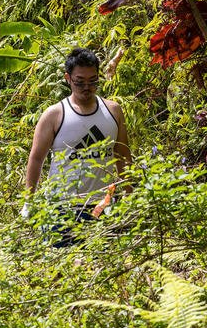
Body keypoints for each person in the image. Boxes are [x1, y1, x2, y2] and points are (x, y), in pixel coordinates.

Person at [24, 48, 132, 246]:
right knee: (62, 269)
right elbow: (36, 158)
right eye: (80, 82)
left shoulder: (113, 110)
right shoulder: (54, 114)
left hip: (104, 204)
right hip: (62, 207)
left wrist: (130, 193)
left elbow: (123, 154)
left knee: (103, 267)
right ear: (68, 78)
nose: (87, 87)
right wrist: (28, 201)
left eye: (93, 81)